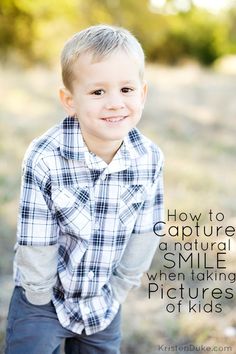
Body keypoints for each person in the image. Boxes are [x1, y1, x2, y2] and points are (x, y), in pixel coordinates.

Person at [5, 24, 164, 354]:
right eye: (97, 92)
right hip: (43, 299)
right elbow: (36, 239)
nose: (115, 103)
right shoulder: (45, 157)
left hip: (103, 300)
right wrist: (37, 294)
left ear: (142, 93)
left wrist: (119, 290)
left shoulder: (148, 159)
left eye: (126, 89)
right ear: (69, 100)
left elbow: (147, 232)